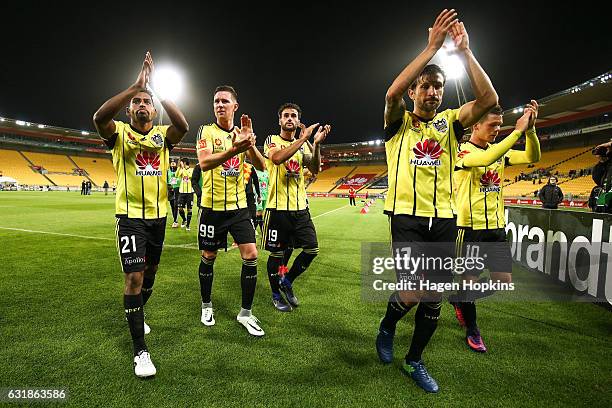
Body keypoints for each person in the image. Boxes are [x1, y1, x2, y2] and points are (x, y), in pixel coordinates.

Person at [375, 10, 498, 393]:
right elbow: (391, 93)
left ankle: (414, 361)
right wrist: (430, 48)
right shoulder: (398, 124)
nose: (432, 92)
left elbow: (490, 98)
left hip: (444, 219)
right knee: (415, 291)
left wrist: (465, 53)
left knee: (433, 298)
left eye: (438, 86)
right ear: (415, 90)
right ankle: (388, 324)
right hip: (407, 219)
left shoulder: (451, 124)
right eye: (426, 85)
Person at [92, 51, 189, 378]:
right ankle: (140, 352)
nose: (143, 105)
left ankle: (136, 312)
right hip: (130, 217)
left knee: (149, 276)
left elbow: (183, 125)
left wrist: (157, 91)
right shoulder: (118, 134)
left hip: (159, 218)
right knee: (133, 278)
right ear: (130, 107)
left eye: (148, 102)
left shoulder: (162, 137)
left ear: (154, 108)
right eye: (138, 102)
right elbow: (98, 118)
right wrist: (135, 87)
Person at [452, 102, 540, 352]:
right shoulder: (462, 152)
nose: (497, 130)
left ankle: (459, 298)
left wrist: (530, 131)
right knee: (469, 282)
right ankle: (473, 329)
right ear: (476, 125)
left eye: (501, 125)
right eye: (493, 125)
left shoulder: (498, 150)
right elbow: (487, 157)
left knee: (502, 281)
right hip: (469, 229)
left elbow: (533, 157)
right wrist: (516, 132)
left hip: (496, 228)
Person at [195, 85, 267, 336]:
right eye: (216, 101)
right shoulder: (205, 131)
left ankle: (245, 313)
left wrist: (249, 143)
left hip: (238, 208)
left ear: (235, 107)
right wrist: (235, 149)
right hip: (212, 207)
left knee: (251, 255)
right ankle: (206, 305)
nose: (219, 105)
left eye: (225, 101)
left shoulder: (240, 134)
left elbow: (262, 166)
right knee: (208, 256)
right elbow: (204, 163)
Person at [262, 102, 331, 312]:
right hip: (277, 210)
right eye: (286, 115)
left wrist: (316, 144)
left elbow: (315, 168)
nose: (289, 118)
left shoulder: (304, 145)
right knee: (277, 255)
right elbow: (276, 158)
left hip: (301, 209)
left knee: (312, 249)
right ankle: (275, 294)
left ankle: (287, 281)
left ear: (298, 120)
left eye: (293, 115)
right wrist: (303, 138)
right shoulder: (271, 140)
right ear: (280, 120)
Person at [175, 158, 194, 231]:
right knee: (180, 208)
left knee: (189, 209)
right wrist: (179, 168)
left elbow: (189, 176)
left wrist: (183, 168)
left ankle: (188, 225)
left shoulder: (191, 170)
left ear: (185, 163)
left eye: (182, 162)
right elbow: (176, 175)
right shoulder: (181, 169)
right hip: (181, 192)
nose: (180, 163)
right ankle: (184, 219)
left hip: (189, 192)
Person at [167, 159, 181, 227]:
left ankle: (176, 221)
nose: (172, 164)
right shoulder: (168, 170)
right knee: (172, 205)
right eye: (171, 163)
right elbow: (167, 179)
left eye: (174, 163)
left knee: (176, 205)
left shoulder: (178, 170)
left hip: (177, 188)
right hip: (170, 189)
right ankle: (175, 220)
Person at [255, 168, 269, 234]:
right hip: (258, 196)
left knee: (263, 214)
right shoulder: (255, 171)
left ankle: (263, 232)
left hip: (266, 196)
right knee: (258, 213)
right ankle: (257, 230)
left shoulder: (267, 172)